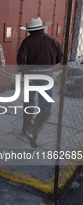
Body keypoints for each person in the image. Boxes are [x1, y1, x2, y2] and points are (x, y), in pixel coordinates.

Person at [17, 17, 63, 148]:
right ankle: (33, 131)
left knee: (29, 100)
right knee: (45, 105)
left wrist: (26, 73)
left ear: (30, 31)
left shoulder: (27, 41)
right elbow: (60, 56)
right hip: (46, 73)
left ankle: (27, 127)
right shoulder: (52, 40)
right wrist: (49, 64)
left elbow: (21, 59)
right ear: (43, 28)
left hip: (30, 73)